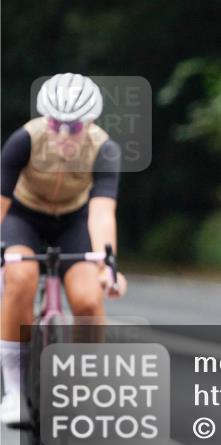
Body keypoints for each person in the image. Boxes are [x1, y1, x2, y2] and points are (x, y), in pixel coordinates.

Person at [0, 73, 127, 425]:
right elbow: (1, 203)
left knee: (88, 299)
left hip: (74, 221)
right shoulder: (24, 139)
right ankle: (14, 391)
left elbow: (102, 212)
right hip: (23, 218)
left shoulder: (104, 148)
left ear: (90, 123)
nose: (64, 134)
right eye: (56, 124)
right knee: (19, 279)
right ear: (46, 119)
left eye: (74, 126)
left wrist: (108, 266)